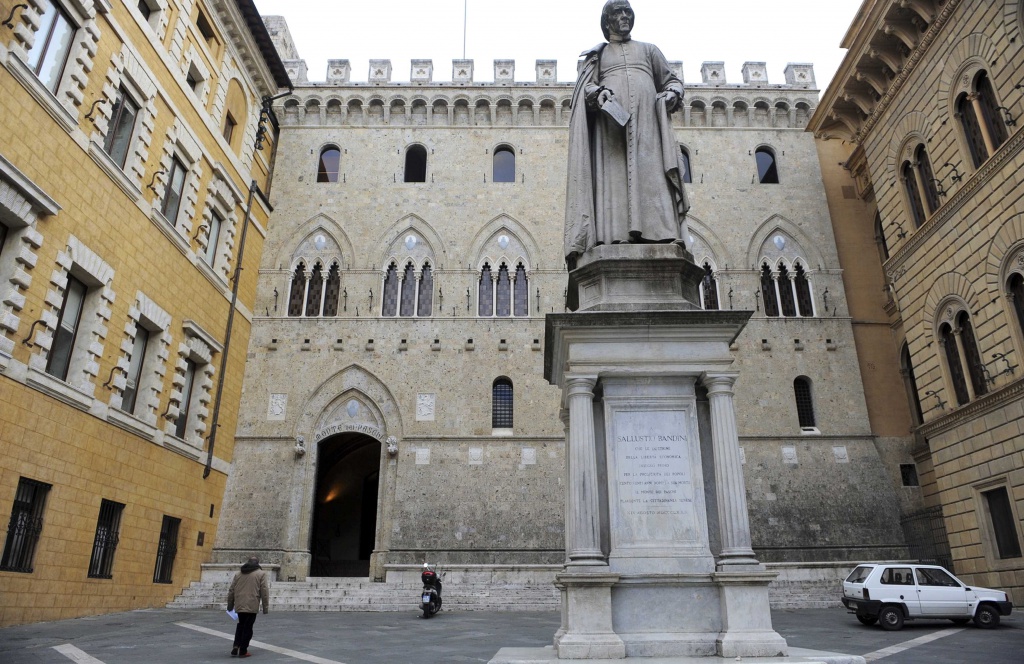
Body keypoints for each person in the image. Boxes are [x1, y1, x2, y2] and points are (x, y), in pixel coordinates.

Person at [564, 0, 690, 267]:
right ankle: (614, 237)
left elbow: (672, 80)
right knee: (614, 181)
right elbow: (585, 88)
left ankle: (664, 234)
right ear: (607, 20)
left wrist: (672, 93)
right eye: (618, 13)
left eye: (628, 12)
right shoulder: (597, 56)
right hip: (610, 131)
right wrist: (598, 93)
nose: (624, 17)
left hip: (647, 126)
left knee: (652, 175)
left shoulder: (649, 50)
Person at [226, 556, 270, 657]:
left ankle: (236, 645)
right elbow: (264, 591)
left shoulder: (238, 574)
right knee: (248, 627)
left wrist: (230, 605)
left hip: (240, 603)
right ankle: (243, 650)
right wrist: (265, 607)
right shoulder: (261, 574)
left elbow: (231, 590)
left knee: (241, 624)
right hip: (252, 603)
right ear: (257, 563)